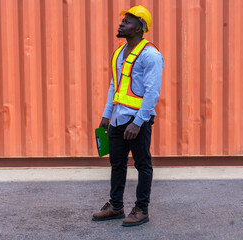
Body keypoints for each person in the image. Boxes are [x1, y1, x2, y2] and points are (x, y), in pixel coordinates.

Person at [92, 5, 164, 227]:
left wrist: (138, 122)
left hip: (137, 121)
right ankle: (116, 206)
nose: (122, 23)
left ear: (140, 28)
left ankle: (142, 209)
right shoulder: (119, 53)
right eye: (123, 20)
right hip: (117, 118)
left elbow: (152, 92)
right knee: (117, 163)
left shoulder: (151, 55)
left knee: (143, 165)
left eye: (128, 21)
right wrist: (106, 114)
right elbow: (115, 84)